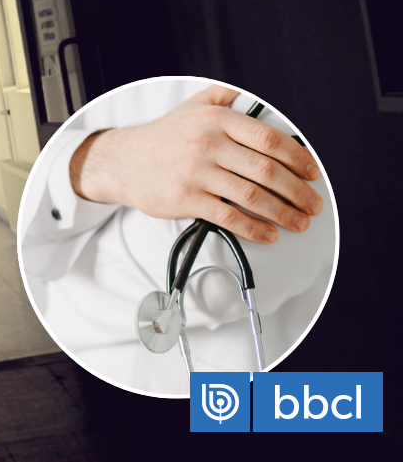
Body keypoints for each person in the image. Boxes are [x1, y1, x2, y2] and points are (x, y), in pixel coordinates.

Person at [20, 79, 335, 396]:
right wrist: (117, 158)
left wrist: (66, 289)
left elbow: (221, 274)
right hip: (97, 382)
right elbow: (30, 227)